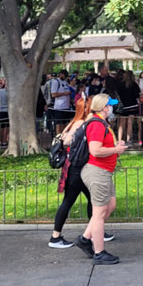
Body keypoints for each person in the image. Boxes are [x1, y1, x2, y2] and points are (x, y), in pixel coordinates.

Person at [75, 94, 127, 265]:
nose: (111, 108)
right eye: (109, 105)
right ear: (104, 107)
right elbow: (95, 150)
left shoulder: (100, 123)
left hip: (103, 171)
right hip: (98, 171)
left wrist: (115, 148)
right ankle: (99, 252)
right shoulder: (97, 124)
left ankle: (85, 238)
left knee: (109, 206)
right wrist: (115, 150)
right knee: (99, 214)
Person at [48, 93, 101, 248]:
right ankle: (55, 236)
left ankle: (96, 230)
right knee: (70, 201)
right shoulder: (80, 123)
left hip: (76, 167)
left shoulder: (75, 122)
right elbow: (67, 141)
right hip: (76, 167)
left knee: (93, 199)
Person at [117, 70, 141, 146]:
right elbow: (137, 95)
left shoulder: (120, 84)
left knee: (121, 124)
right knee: (130, 123)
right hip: (132, 106)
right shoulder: (134, 85)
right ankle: (128, 140)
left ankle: (119, 140)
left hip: (123, 106)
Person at [50, 70, 72, 135]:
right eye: (64, 75)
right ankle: (58, 138)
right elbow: (53, 94)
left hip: (66, 106)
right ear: (61, 74)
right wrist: (64, 93)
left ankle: (63, 137)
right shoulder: (56, 82)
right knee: (59, 124)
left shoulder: (65, 82)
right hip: (59, 107)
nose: (65, 77)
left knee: (65, 123)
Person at [0, 78, 9, 148]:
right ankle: (4, 141)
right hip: (7, 111)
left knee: (1, 127)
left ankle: (0, 141)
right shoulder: (8, 92)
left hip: (0, 111)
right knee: (6, 127)